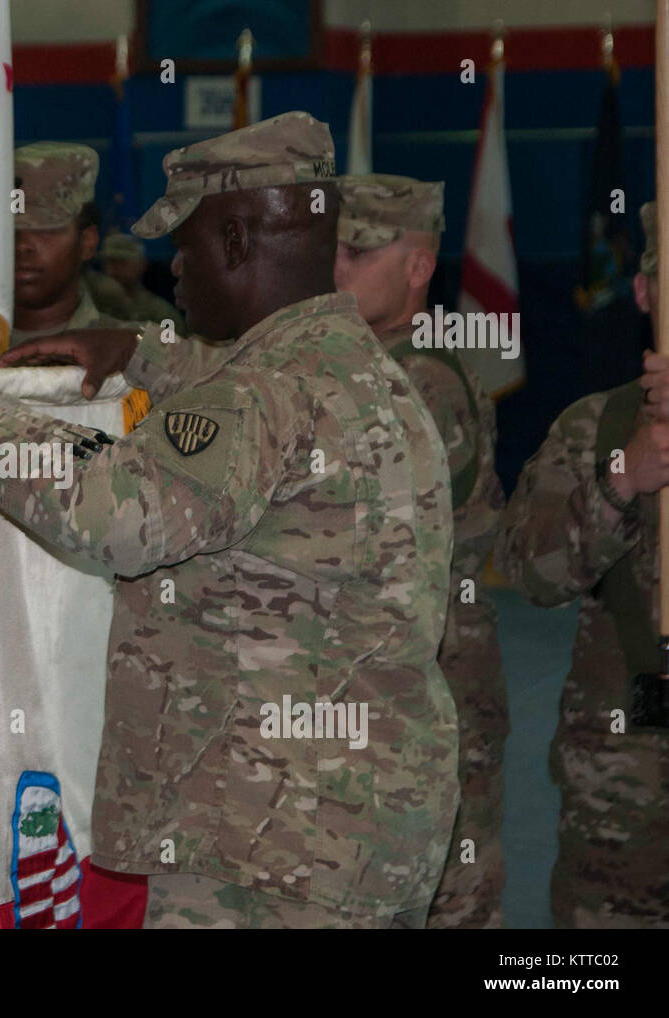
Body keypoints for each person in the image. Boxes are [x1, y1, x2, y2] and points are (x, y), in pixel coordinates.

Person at [0, 112, 459, 928]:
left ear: (234, 241)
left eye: (183, 246)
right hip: (349, 831)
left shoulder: (264, 395)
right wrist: (138, 350)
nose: (173, 271)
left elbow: (118, 513)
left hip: (267, 850)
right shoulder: (360, 371)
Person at [334, 173, 507, 928]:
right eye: (331, 250)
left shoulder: (422, 380)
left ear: (417, 266)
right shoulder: (368, 366)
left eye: (360, 251)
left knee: (447, 902)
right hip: (378, 691)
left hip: (433, 695)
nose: (337, 268)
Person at [496, 201, 669, 928]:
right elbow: (532, 577)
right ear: (642, 293)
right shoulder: (594, 426)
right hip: (619, 801)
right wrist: (623, 477)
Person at [11, 142, 129, 347]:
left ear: (87, 243)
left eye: (46, 231)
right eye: (10, 233)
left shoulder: (129, 351)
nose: (22, 246)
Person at [99, 232, 180, 325]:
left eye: (121, 262)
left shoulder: (160, 313)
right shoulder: (94, 304)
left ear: (142, 264)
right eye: (107, 262)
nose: (112, 269)